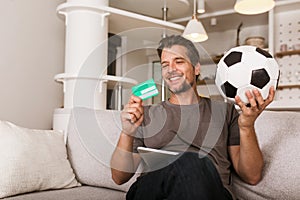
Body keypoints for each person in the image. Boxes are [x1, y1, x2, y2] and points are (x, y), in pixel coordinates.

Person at [110, 35, 275, 200]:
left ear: (196, 68)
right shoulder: (144, 114)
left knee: (190, 161)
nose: (171, 69)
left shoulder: (225, 111)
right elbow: (119, 177)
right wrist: (127, 133)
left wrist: (247, 126)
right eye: (165, 64)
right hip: (153, 188)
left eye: (179, 61)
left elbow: (252, 176)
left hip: (210, 190)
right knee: (179, 162)